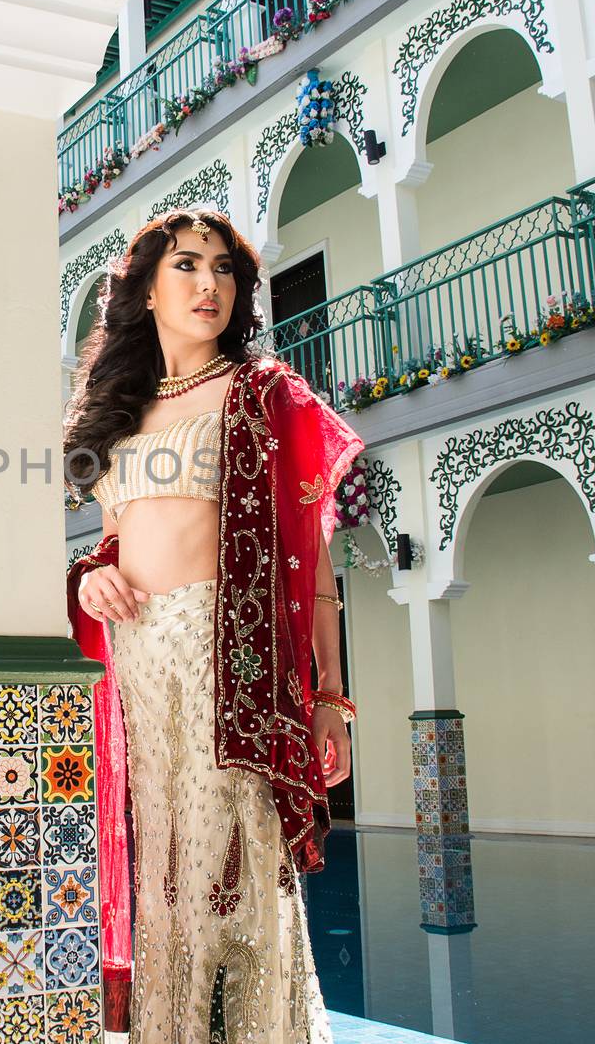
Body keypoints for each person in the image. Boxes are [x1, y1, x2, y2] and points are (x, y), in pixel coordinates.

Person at [62, 207, 363, 1043]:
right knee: (162, 877)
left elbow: (313, 553)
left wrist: (331, 694)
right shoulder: (115, 414)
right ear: (146, 289)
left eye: (225, 269)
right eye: (188, 266)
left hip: (224, 660)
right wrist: (93, 582)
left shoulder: (265, 395)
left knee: (227, 877)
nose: (210, 284)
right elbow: (116, 544)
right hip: (140, 663)